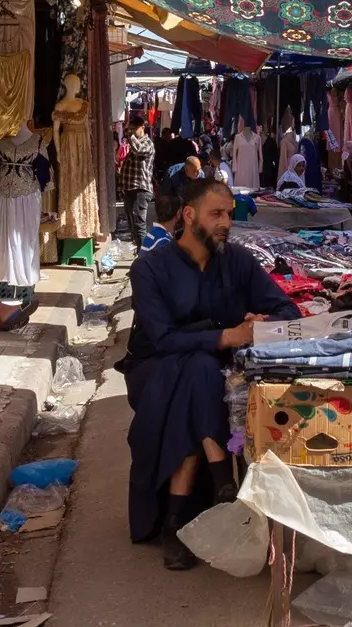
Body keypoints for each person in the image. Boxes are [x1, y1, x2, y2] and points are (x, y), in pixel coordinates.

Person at [123, 178, 300, 568]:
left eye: (229, 215)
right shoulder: (149, 268)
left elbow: (288, 311)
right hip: (155, 369)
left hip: (211, 372)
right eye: (215, 214)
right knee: (199, 370)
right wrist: (226, 336)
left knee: (201, 373)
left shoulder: (237, 262)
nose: (225, 222)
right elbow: (163, 340)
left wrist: (261, 321)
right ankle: (222, 479)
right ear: (188, 216)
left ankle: (177, 518)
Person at [121, 115, 155, 247]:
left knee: (139, 224)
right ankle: (141, 253)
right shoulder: (134, 143)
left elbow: (139, 150)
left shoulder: (147, 143)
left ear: (143, 127)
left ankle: (144, 256)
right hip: (130, 190)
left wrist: (130, 136)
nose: (131, 132)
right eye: (130, 129)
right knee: (133, 225)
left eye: (134, 129)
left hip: (140, 190)